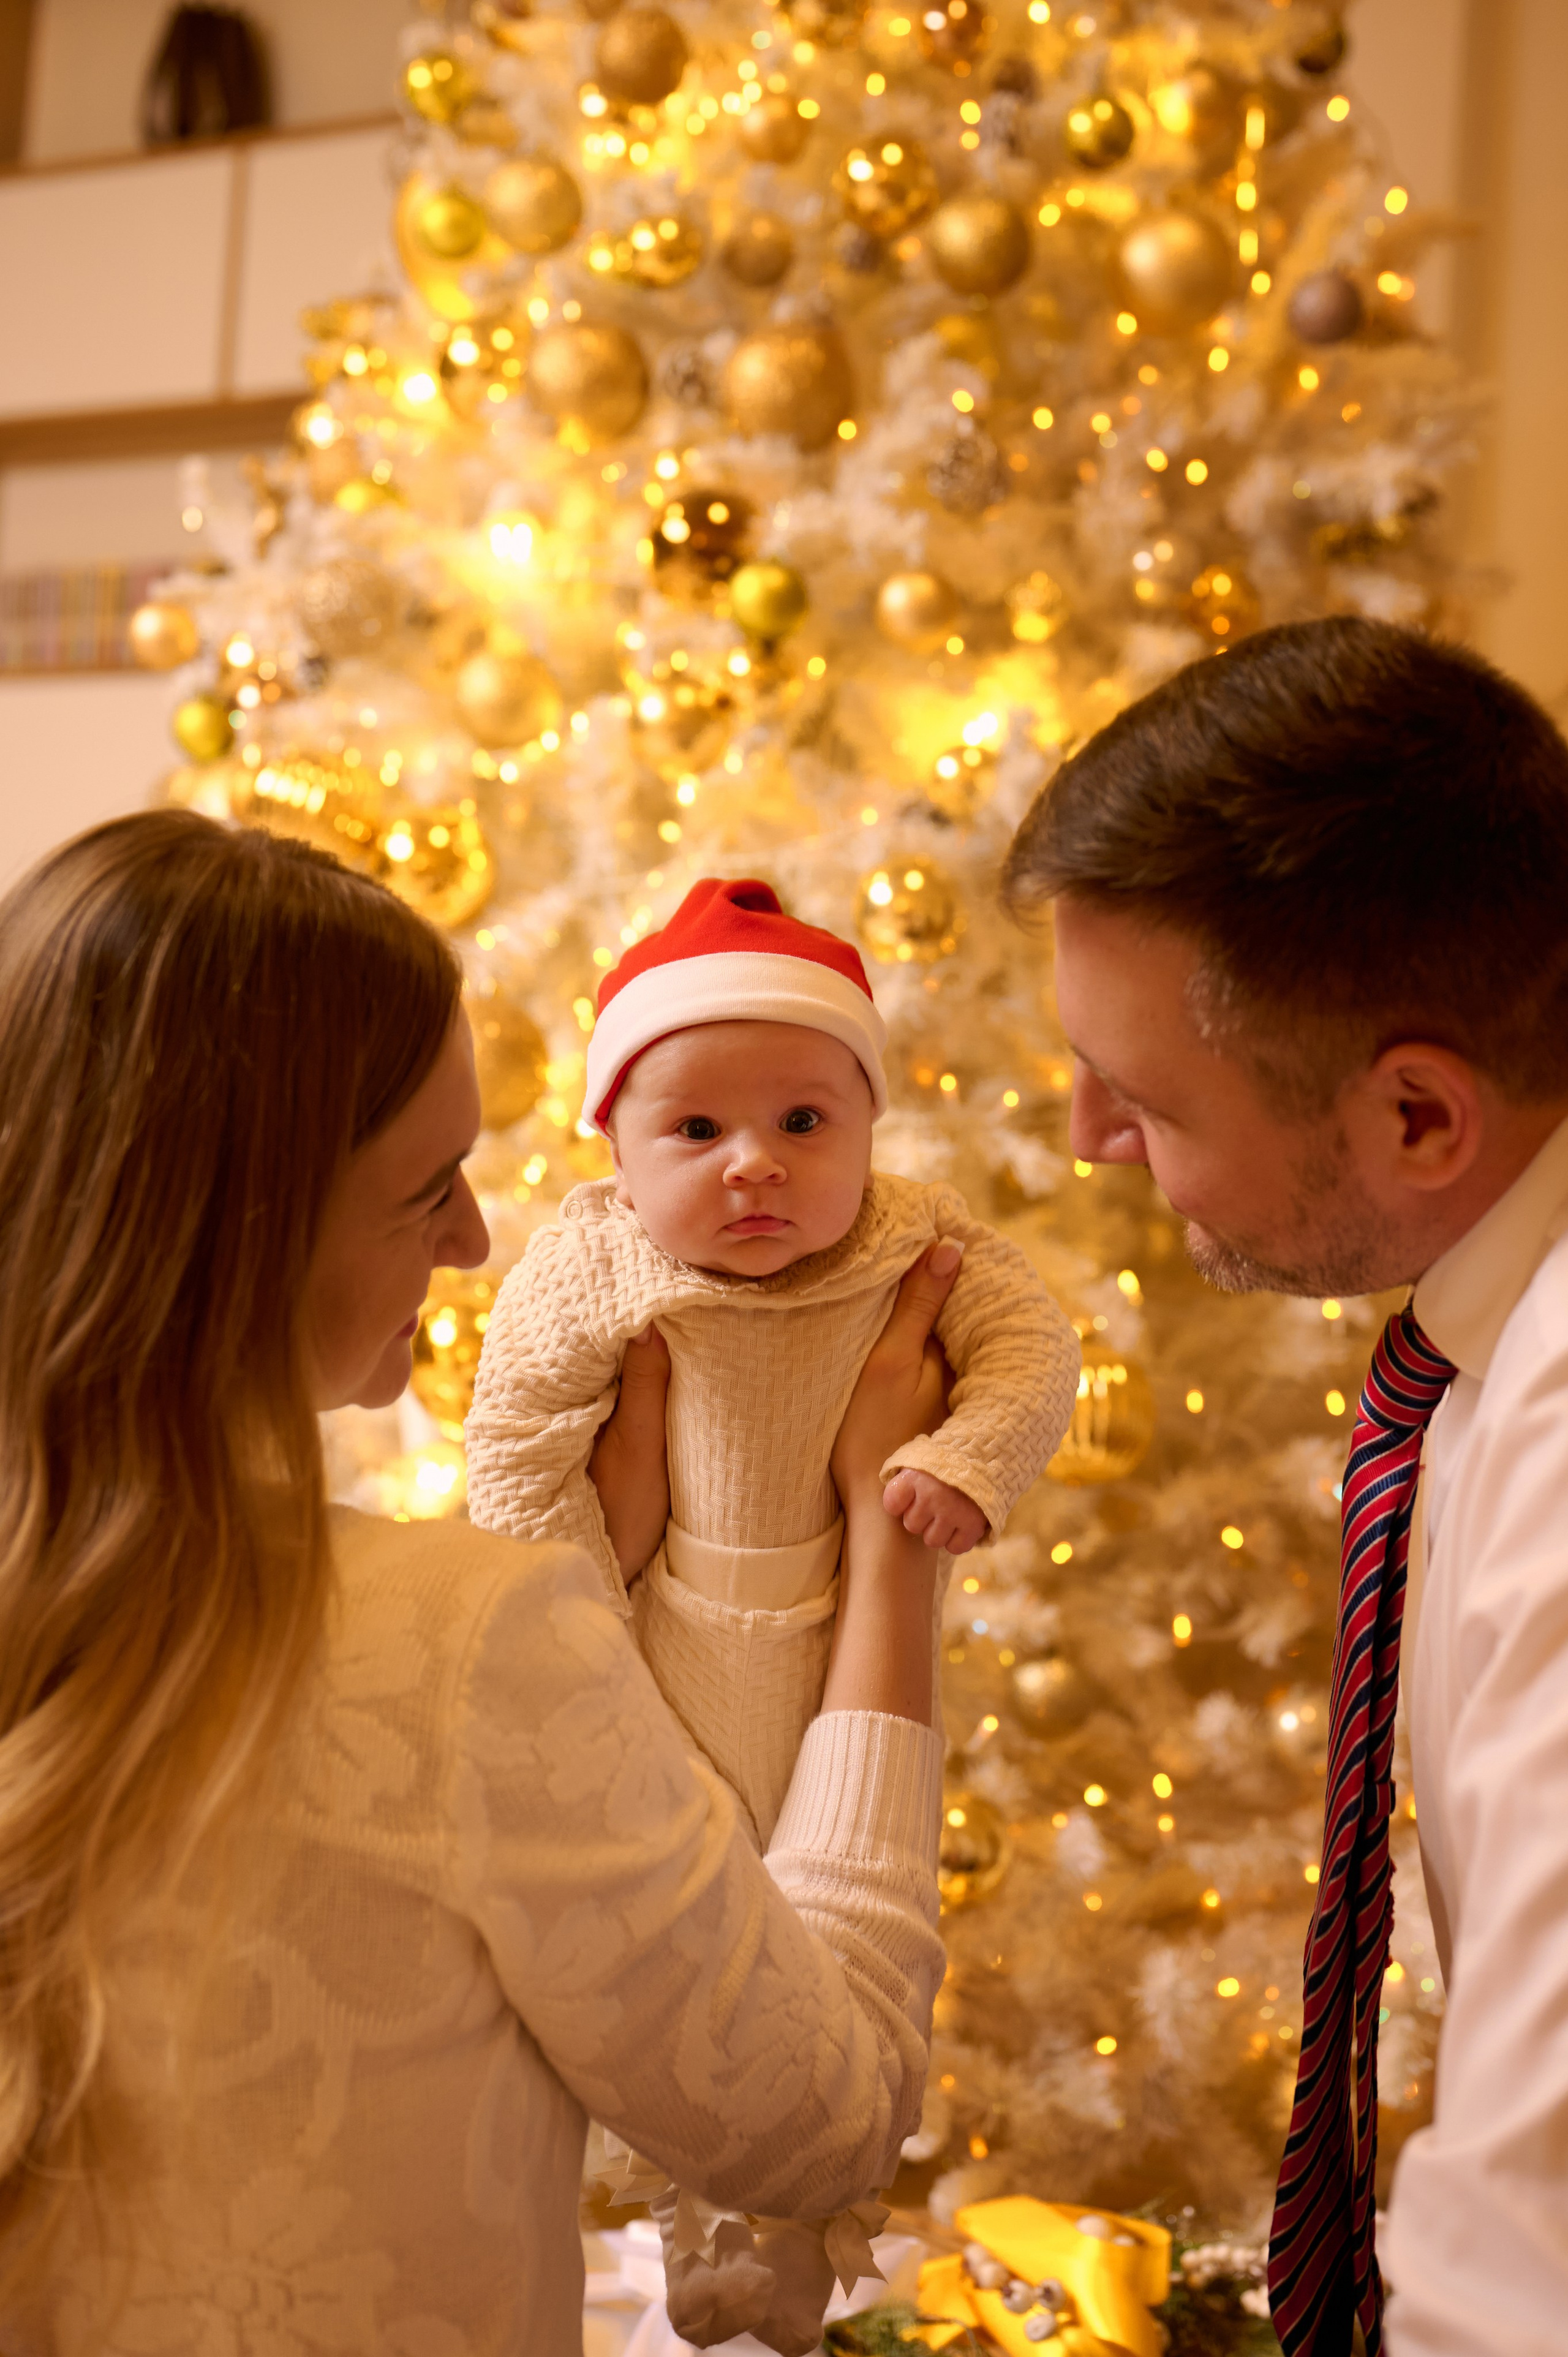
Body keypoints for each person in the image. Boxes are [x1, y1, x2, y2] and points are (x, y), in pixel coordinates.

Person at [0, 809, 955, 2356]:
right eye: (424, 1181)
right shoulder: (460, 1643)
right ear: (242, 1230)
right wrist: (886, 1550)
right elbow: (817, 2119)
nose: (473, 1235)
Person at [1003, 615, 1568, 2357]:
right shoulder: (1482, 1349)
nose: (1092, 1135)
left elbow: (1541, 2227)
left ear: (1418, 1118)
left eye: (1146, 1093)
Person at [464, 874, 1079, 2350]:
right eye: (696, 1130)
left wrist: (956, 1461)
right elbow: (512, 1438)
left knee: (807, 1965)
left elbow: (1030, 1346)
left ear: (869, 1125)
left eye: (805, 1122)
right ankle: (671, 2218)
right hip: (653, 1658)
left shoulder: (910, 1244)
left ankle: (780, 2254)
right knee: (672, 1942)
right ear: (613, 1147)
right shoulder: (593, 1259)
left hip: (832, 1665)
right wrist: (571, 1601)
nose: (755, 1166)